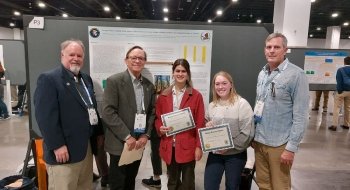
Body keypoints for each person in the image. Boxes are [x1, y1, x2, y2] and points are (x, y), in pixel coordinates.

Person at [34, 39, 103, 190]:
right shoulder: (49, 79)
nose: (76, 58)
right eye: (72, 54)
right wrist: (57, 145)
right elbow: (45, 117)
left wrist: (97, 133)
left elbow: (91, 108)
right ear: (62, 55)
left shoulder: (85, 79)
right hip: (63, 151)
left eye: (79, 56)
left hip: (85, 149)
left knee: (84, 186)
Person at [253, 33, 309, 190]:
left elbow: (301, 116)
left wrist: (291, 148)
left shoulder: (297, 75)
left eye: (276, 47)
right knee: (263, 184)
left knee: (280, 186)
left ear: (285, 50)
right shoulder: (262, 73)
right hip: (260, 141)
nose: (271, 51)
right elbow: (259, 105)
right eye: (268, 47)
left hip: (280, 144)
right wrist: (254, 134)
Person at [102, 46, 156, 190]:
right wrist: (127, 136)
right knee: (118, 183)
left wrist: (146, 135)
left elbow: (152, 112)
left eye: (141, 58)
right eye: (133, 57)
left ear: (145, 62)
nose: (137, 61)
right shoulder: (114, 81)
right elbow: (107, 111)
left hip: (139, 142)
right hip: (120, 143)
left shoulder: (149, 86)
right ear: (126, 60)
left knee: (131, 181)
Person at [155, 58, 205, 190]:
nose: (180, 74)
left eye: (184, 71)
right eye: (177, 71)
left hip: (187, 146)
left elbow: (200, 123)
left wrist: (199, 147)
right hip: (169, 146)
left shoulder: (196, 96)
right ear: (173, 73)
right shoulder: (163, 95)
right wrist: (160, 127)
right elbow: (157, 118)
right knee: (172, 182)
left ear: (188, 74)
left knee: (188, 184)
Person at [204, 71, 255, 190]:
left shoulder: (242, 104)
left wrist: (228, 147)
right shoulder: (212, 106)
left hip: (235, 155)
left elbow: (247, 134)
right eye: (217, 84)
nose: (220, 87)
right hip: (215, 154)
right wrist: (207, 125)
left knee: (232, 187)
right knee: (209, 186)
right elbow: (205, 126)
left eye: (224, 83)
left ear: (231, 84)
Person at [329, 56, 350, 131]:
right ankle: (347, 125)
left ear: (344, 62)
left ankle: (334, 126)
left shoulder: (340, 70)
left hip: (341, 91)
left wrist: (339, 91)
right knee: (348, 108)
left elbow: (339, 82)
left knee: (337, 107)